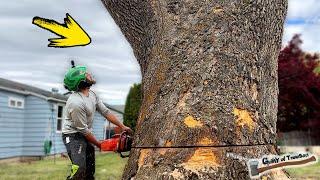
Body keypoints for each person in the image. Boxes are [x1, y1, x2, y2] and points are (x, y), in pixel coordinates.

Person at [62, 63, 132, 180]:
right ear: (81, 81)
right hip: (73, 136)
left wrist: (122, 126)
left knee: (90, 170)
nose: (89, 74)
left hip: (85, 134)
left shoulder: (92, 95)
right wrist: (100, 145)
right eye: (86, 74)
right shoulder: (76, 103)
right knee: (79, 169)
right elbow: (83, 130)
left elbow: (105, 112)